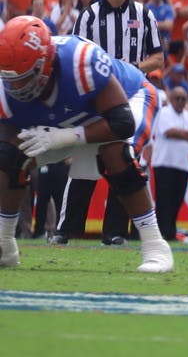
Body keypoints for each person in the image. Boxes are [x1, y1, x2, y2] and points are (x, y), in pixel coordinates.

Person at [0, 17, 172, 273]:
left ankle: (156, 246)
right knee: (11, 155)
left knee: (116, 151)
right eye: (10, 79)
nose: (16, 86)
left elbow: (122, 122)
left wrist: (64, 137)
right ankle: (4, 244)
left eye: (24, 77)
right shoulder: (7, 89)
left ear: (46, 63)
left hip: (129, 99)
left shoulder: (80, 61)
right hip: (71, 120)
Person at [59, 0, 163, 245]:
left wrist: (132, 69)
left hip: (131, 95)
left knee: (124, 159)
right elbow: (73, 56)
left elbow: (158, 58)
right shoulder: (88, 16)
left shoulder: (144, 15)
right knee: (83, 162)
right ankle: (66, 230)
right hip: (95, 98)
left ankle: (115, 231)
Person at [149, 86, 188, 242]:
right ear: (171, 99)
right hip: (164, 163)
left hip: (182, 165)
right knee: (164, 199)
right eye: (177, 98)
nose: (180, 102)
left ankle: (170, 231)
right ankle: (162, 232)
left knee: (177, 199)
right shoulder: (164, 112)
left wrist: (181, 134)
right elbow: (169, 131)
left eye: (183, 99)